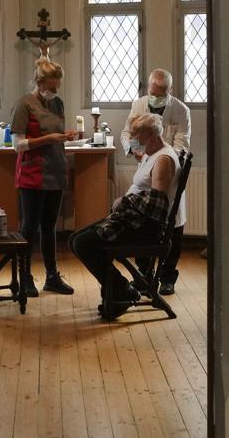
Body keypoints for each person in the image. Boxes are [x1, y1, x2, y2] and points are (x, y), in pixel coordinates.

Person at [70, 112, 184, 321]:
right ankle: (117, 293)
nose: (133, 141)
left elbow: (156, 205)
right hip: (132, 220)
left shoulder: (164, 160)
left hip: (144, 227)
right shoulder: (151, 152)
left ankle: (121, 291)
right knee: (74, 240)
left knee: (83, 243)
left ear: (150, 136)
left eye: (136, 137)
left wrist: (124, 201)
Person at [10, 58, 75, 296]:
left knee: (50, 227)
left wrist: (65, 135)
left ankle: (51, 276)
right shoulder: (24, 104)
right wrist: (48, 139)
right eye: (51, 86)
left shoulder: (57, 103)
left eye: (57, 87)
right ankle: (24, 276)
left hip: (56, 170)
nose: (55, 91)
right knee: (29, 226)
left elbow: (55, 133)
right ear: (39, 82)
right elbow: (17, 144)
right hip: (32, 172)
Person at [126, 69, 190, 296]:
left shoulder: (181, 110)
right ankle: (144, 274)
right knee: (144, 222)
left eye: (161, 93)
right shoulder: (139, 104)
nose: (156, 96)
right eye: (153, 92)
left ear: (169, 91)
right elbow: (128, 134)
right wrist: (139, 152)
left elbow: (182, 142)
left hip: (169, 169)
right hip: (145, 164)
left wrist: (162, 158)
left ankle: (167, 278)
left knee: (172, 225)